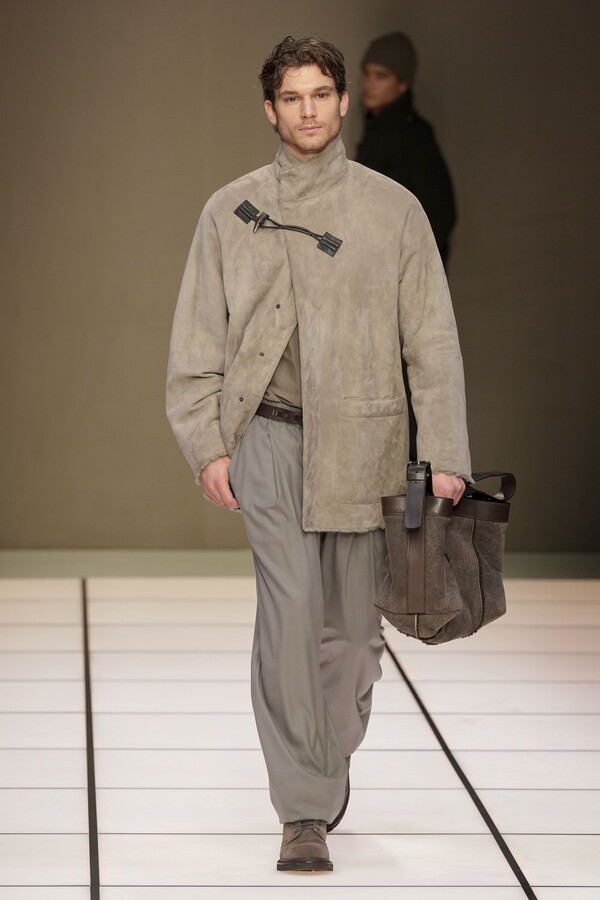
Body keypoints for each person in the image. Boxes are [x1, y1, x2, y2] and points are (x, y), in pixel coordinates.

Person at [167, 35, 470, 873]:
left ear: (341, 103)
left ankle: (324, 761)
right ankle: (303, 809)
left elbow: (432, 343)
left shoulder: (392, 211)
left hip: (366, 444)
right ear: (270, 109)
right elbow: (197, 339)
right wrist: (207, 443)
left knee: (355, 638)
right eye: (291, 97)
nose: (308, 110)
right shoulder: (230, 211)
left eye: (321, 94)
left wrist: (445, 452)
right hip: (266, 437)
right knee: (290, 616)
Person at [357, 32, 456, 266]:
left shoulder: (413, 136)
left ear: (402, 84)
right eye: (367, 74)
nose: (370, 84)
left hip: (401, 273)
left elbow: (440, 215)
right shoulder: (376, 131)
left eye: (381, 76)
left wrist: (403, 266)